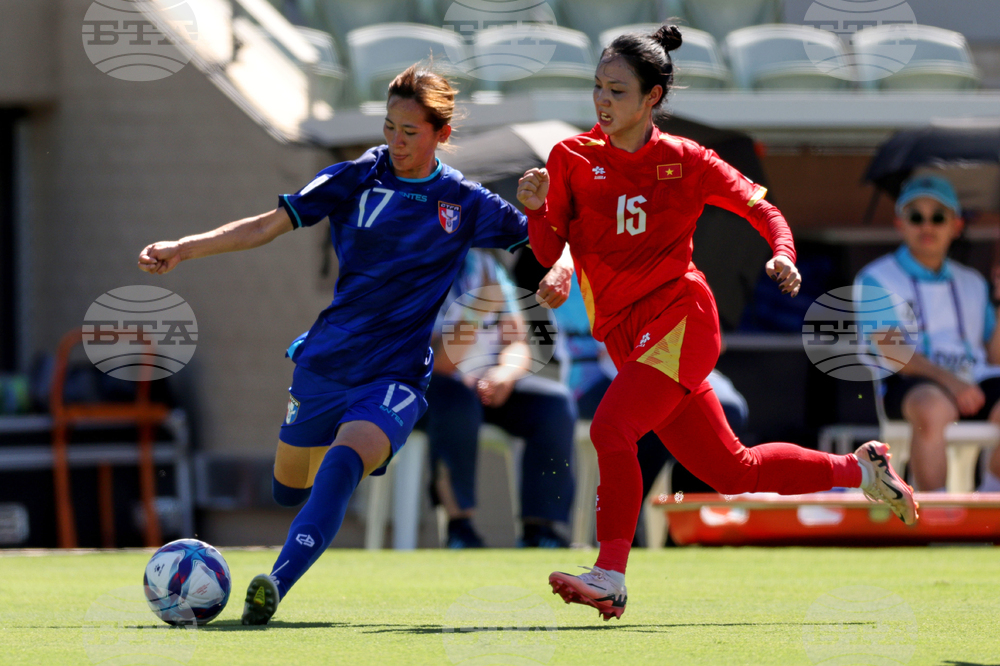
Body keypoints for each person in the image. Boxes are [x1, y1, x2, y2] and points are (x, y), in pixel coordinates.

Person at [517, 24, 918, 621]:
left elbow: (763, 208)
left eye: (618, 90)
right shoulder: (570, 156)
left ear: (653, 98)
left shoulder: (687, 160)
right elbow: (552, 246)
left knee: (611, 429)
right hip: (627, 335)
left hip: (681, 316)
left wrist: (782, 250)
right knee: (733, 468)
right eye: (598, 86)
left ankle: (610, 574)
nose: (602, 100)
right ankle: (858, 467)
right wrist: (534, 213)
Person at [137, 65, 530, 626]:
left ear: (441, 134)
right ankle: (317, 462)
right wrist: (185, 246)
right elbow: (269, 225)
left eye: (410, 131)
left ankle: (273, 584)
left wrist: (556, 247)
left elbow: (541, 240)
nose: (395, 140)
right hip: (326, 362)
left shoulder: (463, 201)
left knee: (343, 464)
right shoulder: (357, 176)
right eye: (389, 126)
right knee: (286, 488)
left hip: (396, 374)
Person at [855, 175, 1000, 493]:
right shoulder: (876, 279)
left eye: (938, 216)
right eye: (916, 216)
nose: (927, 226)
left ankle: (990, 501)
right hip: (909, 383)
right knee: (933, 409)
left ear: (956, 225)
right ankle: (935, 520)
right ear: (900, 225)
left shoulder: (973, 282)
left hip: (972, 381)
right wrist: (951, 382)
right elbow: (892, 352)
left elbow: (994, 356)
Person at [424, 249, 575, 548]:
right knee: (457, 401)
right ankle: (460, 527)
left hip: (487, 384)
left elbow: (518, 341)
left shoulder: (486, 264)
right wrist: (475, 313)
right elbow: (439, 364)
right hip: (435, 390)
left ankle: (539, 529)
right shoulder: (419, 266)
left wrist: (505, 373)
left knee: (554, 406)